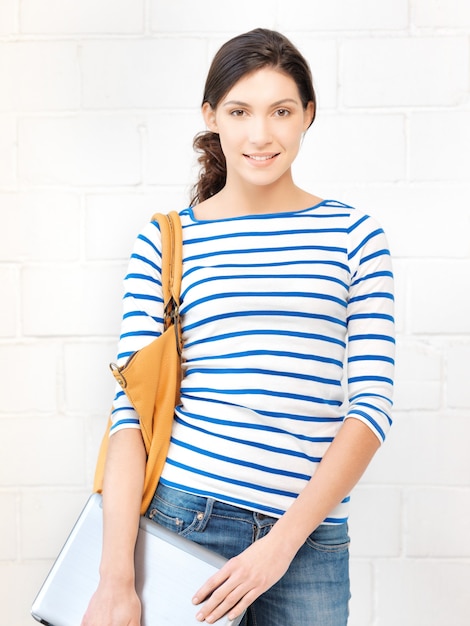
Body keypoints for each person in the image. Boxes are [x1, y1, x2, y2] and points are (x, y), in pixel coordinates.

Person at [82, 28, 395, 626]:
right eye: (240, 111)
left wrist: (279, 549)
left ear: (308, 114)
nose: (260, 134)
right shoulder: (166, 238)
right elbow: (130, 417)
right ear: (211, 116)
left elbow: (371, 411)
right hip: (186, 519)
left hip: (308, 544)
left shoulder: (355, 236)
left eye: (280, 110)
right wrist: (114, 578)